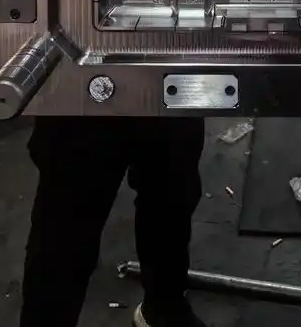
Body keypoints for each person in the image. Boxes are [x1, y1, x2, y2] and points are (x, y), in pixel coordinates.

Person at [19, 115, 207, 327]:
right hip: (83, 110)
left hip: (168, 104)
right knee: (66, 229)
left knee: (172, 196)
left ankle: (164, 310)